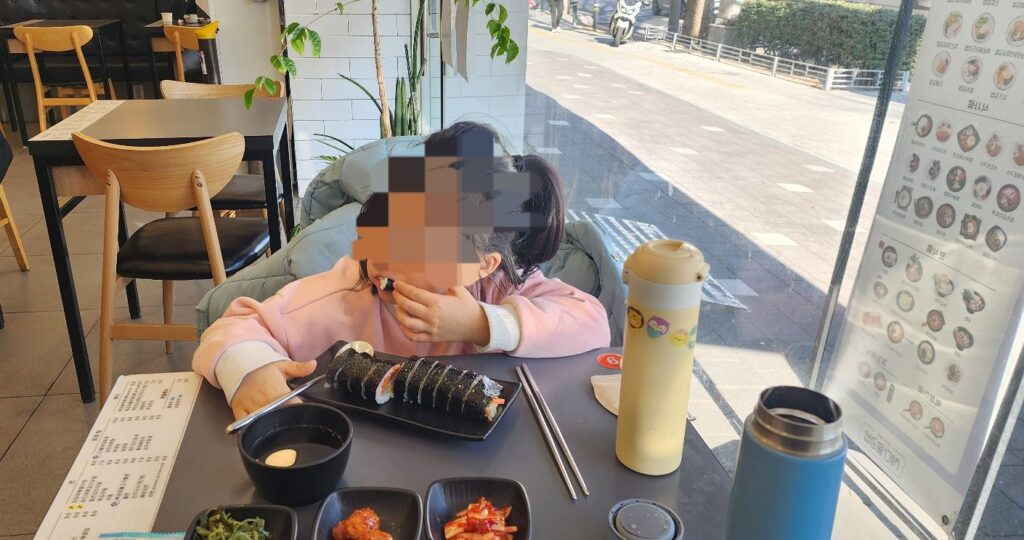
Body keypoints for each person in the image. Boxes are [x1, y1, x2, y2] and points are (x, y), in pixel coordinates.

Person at [192, 122, 612, 420]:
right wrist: (249, 370)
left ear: (482, 264)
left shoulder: (499, 291)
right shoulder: (347, 291)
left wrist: (481, 324)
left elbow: (592, 321)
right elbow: (234, 328)